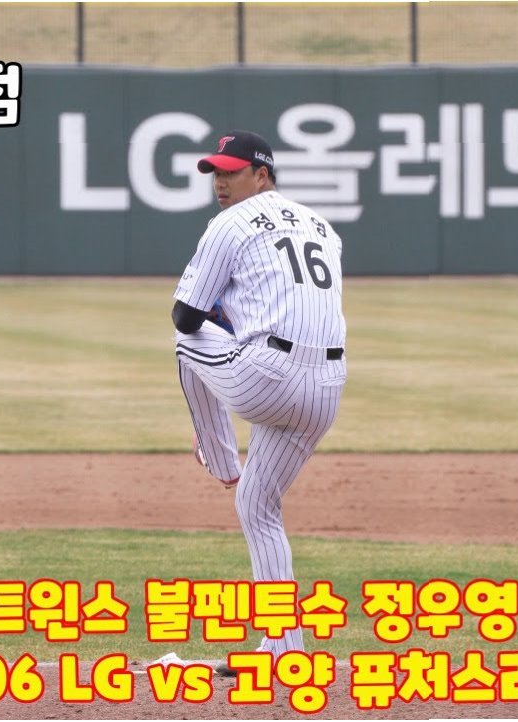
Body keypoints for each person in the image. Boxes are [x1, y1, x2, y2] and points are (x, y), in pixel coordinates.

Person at [171, 131, 348, 666]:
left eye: (231, 171)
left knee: (184, 341)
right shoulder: (323, 227)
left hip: (266, 378)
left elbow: (186, 316)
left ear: (262, 175)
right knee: (257, 506)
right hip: (327, 388)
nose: (220, 183)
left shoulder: (229, 224)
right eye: (215, 173)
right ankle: (283, 647)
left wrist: (222, 308)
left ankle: (221, 459)